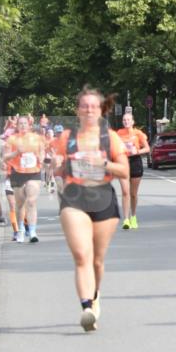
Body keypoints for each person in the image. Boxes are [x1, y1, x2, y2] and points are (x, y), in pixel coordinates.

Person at [54, 87, 128, 332]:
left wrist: (103, 163)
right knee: (81, 256)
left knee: (97, 260)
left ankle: (95, 296)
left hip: (104, 197)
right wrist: (57, 164)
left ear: (100, 110)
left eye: (93, 106)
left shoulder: (110, 138)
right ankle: (86, 307)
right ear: (78, 110)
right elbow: (57, 168)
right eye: (84, 106)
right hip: (74, 197)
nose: (89, 110)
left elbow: (124, 171)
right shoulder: (67, 137)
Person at [2, 116, 45, 242]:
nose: (22, 126)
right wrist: (16, 153)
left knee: (31, 201)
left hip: (34, 172)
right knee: (20, 204)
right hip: (17, 173)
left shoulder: (36, 138)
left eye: (25, 123)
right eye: (20, 123)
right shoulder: (12, 139)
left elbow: (42, 152)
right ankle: (20, 230)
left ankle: (32, 232)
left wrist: (40, 157)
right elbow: (5, 157)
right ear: (17, 126)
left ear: (29, 125)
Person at [116, 111, 150, 229]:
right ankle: (125, 220)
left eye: (128, 120)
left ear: (132, 122)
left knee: (133, 194)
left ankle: (133, 217)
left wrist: (137, 151)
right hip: (123, 163)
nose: (126, 122)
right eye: (124, 120)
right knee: (125, 192)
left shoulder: (138, 133)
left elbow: (147, 148)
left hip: (135, 162)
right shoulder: (119, 133)